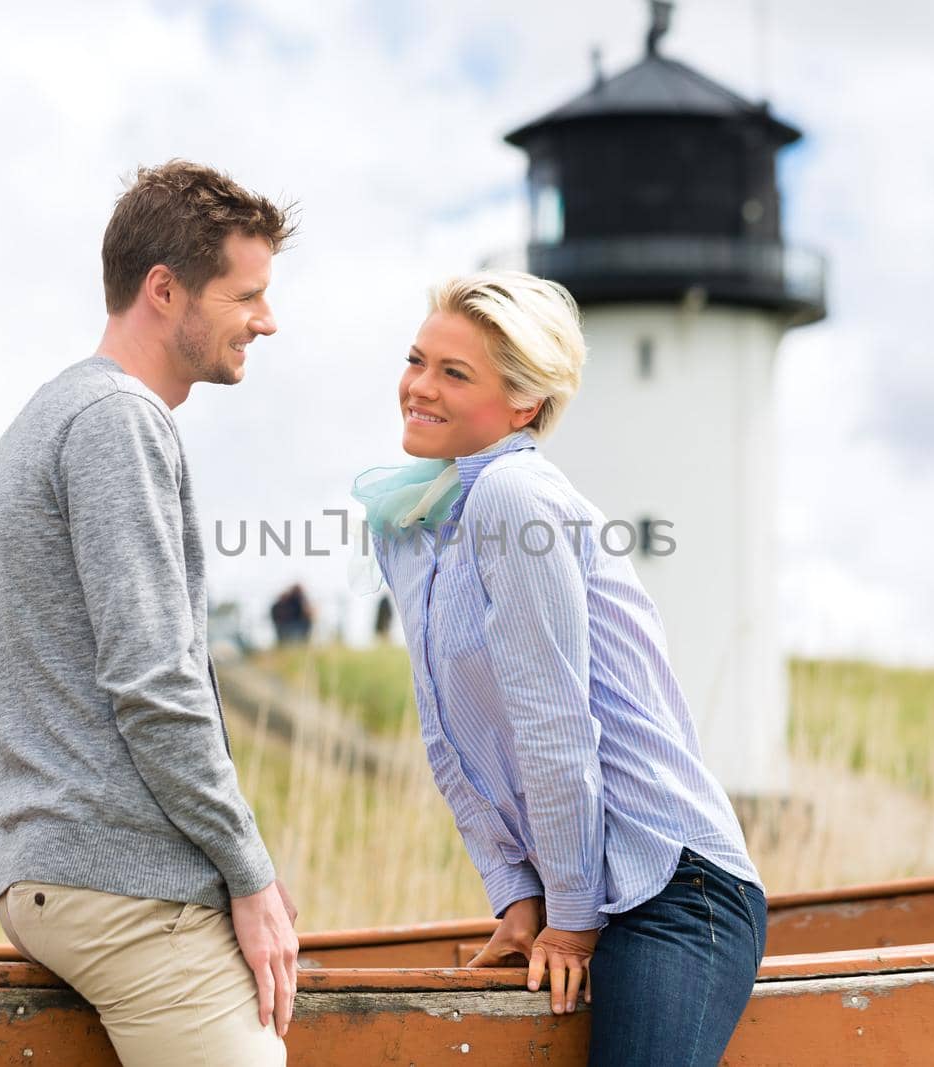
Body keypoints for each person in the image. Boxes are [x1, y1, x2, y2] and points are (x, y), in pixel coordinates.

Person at [352, 271, 766, 1066]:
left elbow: (555, 724)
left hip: (674, 889)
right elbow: (445, 728)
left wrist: (570, 915)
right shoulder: (406, 522)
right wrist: (514, 890)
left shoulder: (515, 493)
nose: (419, 387)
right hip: (583, 895)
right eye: (417, 359)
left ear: (524, 406)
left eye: (454, 372)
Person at [0, 160, 298, 1066]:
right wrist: (252, 871)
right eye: (248, 294)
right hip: (122, 885)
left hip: (61, 872)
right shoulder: (117, 421)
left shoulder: (54, 413)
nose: (266, 320)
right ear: (165, 289)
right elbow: (157, 683)